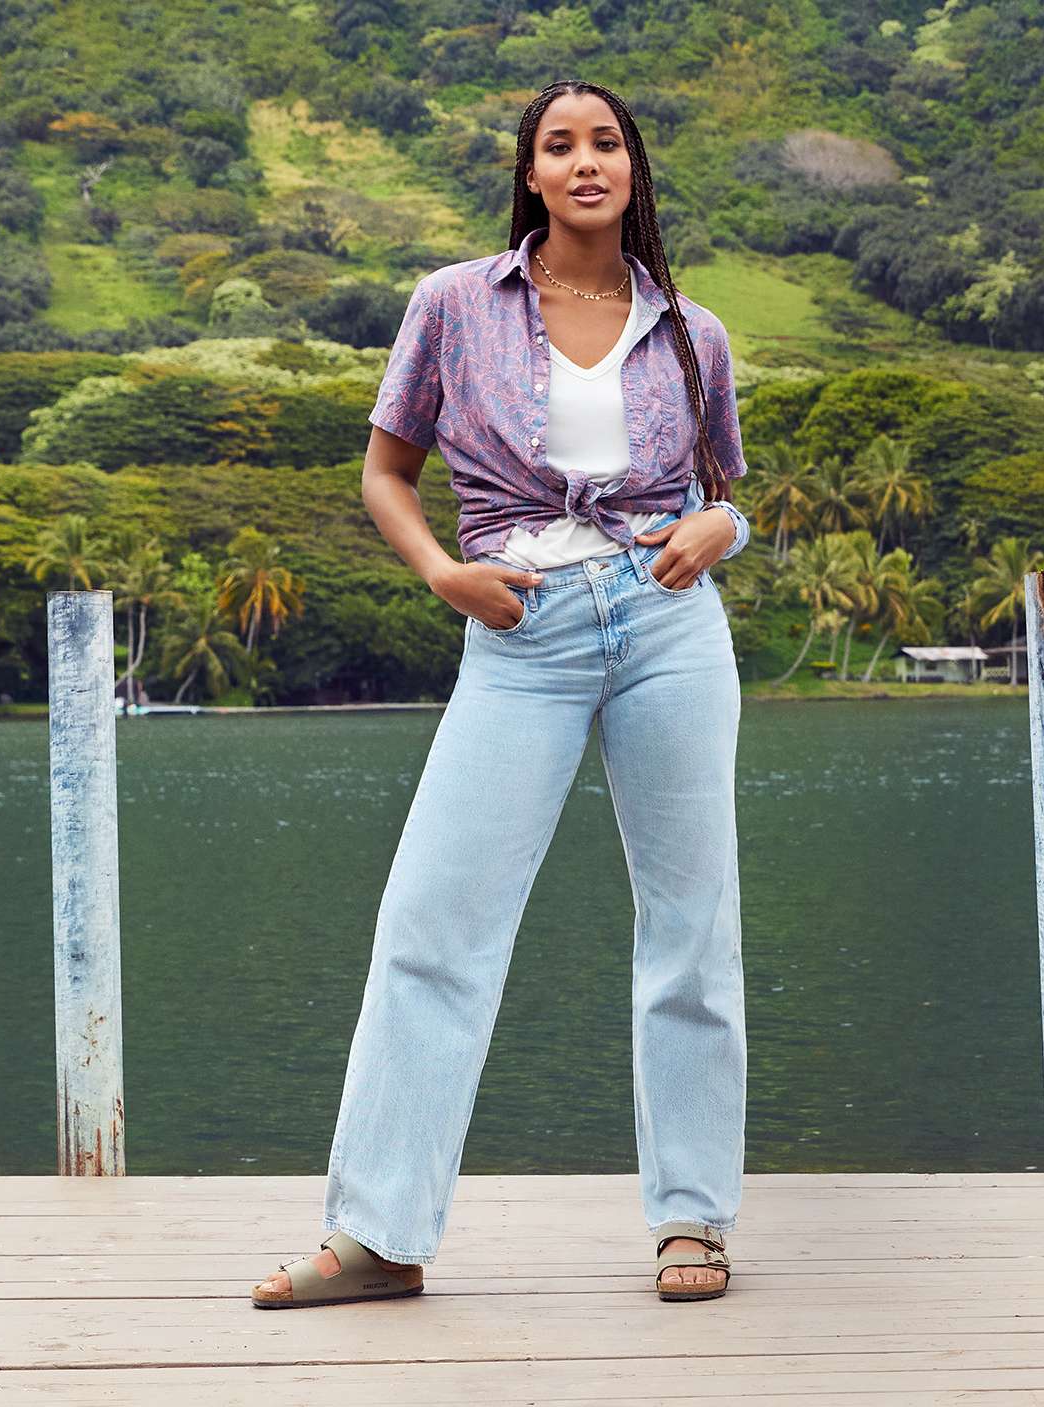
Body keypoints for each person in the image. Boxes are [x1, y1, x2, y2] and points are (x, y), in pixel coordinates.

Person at [250, 78, 750, 1308]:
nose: (585, 162)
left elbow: (723, 492)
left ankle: (691, 1219)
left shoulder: (692, 330)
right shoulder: (456, 304)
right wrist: (441, 574)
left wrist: (722, 529)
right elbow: (386, 473)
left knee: (690, 931)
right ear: (530, 173)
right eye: (559, 145)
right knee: (433, 926)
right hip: (520, 625)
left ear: (632, 169)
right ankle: (378, 1237)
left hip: (668, 626)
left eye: (606, 143)